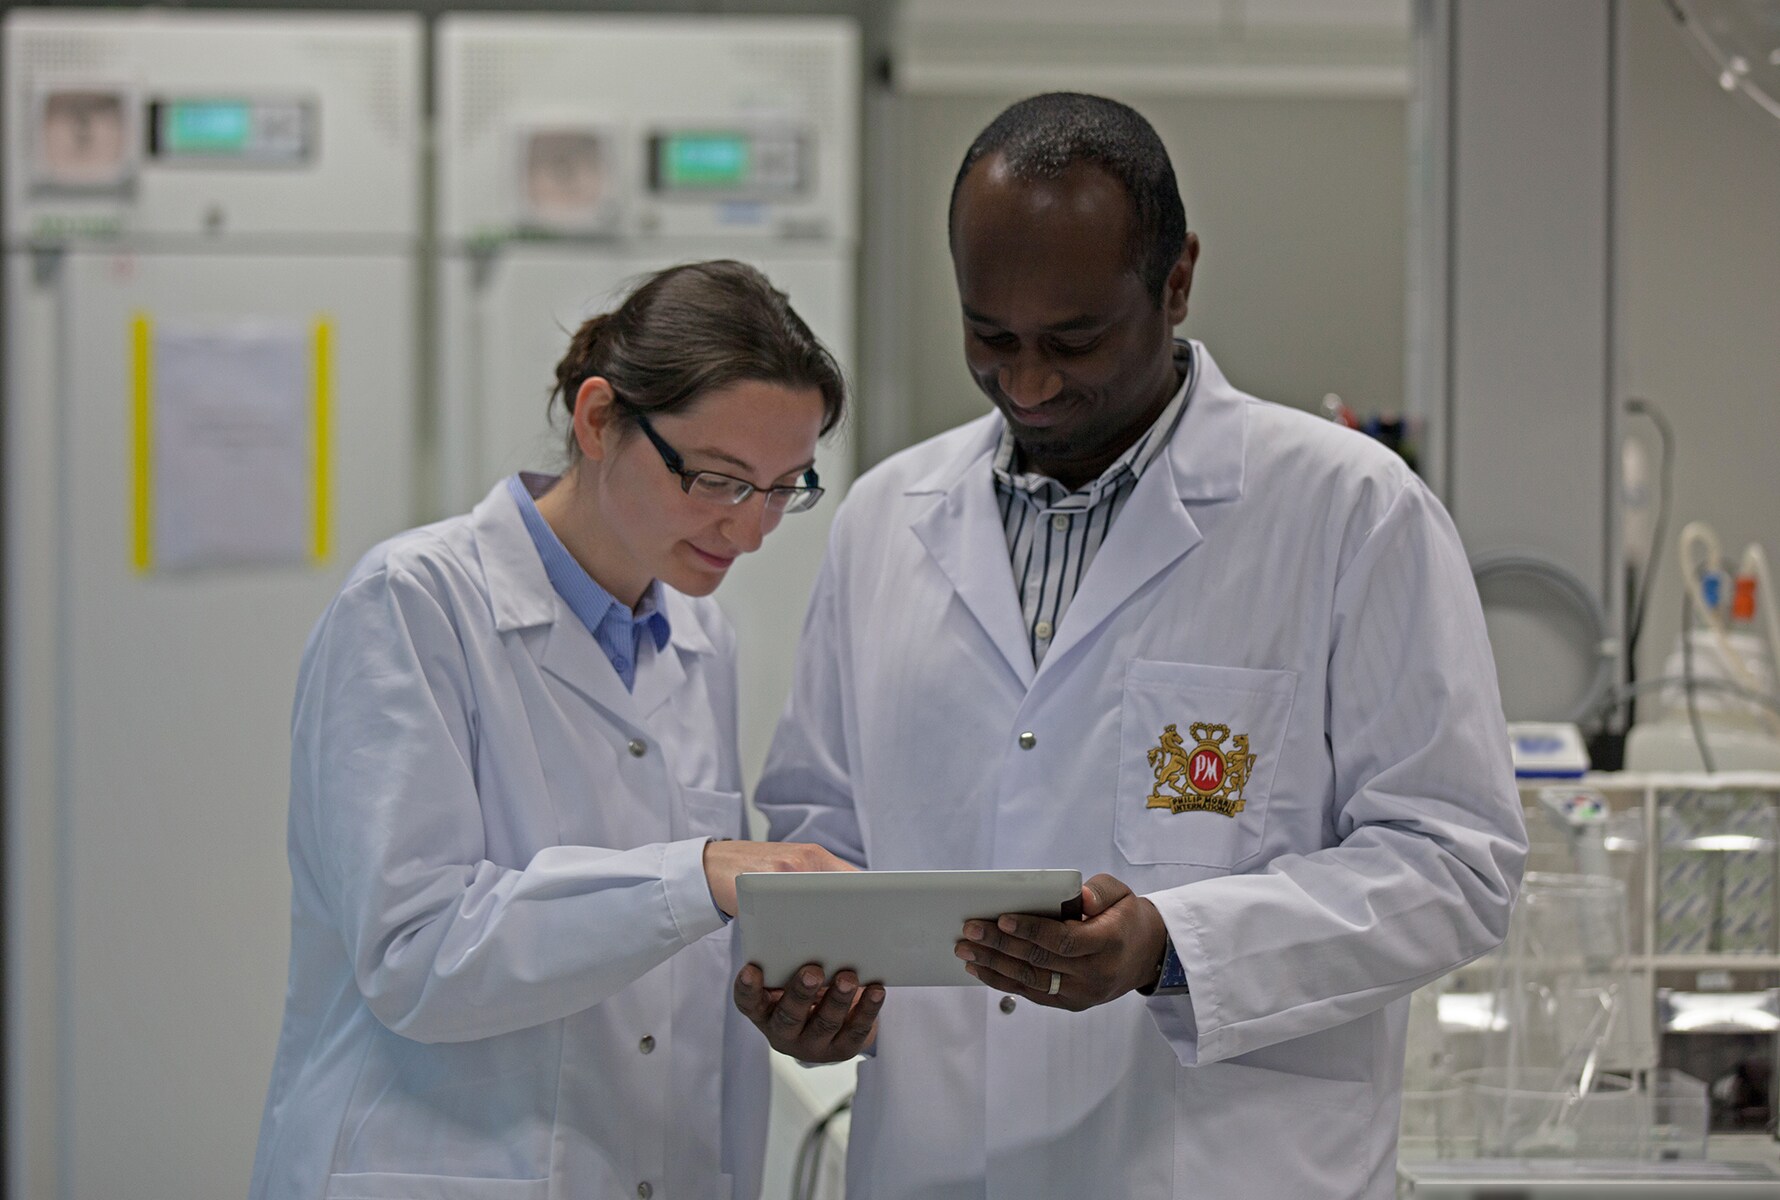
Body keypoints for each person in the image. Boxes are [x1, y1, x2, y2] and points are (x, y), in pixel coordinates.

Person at [735, 94, 1528, 1198]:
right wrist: (817, 993)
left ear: (1177, 279)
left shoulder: (1349, 513)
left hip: (1221, 1165)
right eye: (989, 337)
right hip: (936, 1164)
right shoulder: (885, 519)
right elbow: (821, 830)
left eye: (1073, 340)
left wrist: (1173, 945)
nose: (1027, 382)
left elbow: (1455, 862)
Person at [250, 260, 859, 1200]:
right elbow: (416, 954)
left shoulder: (700, 636)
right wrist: (694, 875)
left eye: (785, 488)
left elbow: (673, 957)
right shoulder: (414, 604)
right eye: (718, 481)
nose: (750, 533)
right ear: (598, 419)